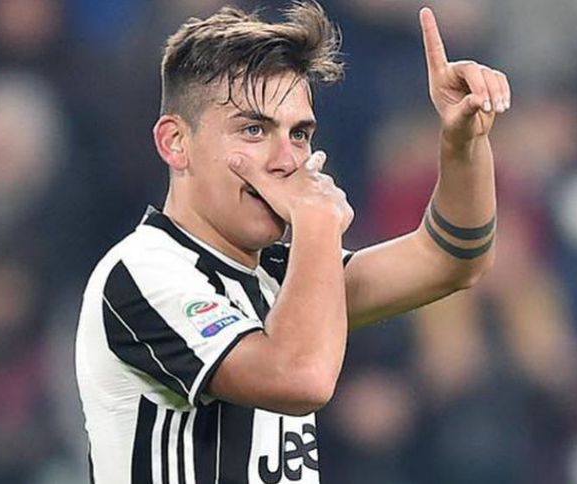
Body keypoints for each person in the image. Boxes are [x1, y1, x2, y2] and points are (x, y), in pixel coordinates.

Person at [75, 2, 510, 483]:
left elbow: (452, 259)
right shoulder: (144, 271)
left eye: (300, 134)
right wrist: (316, 219)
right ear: (176, 142)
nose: (287, 160)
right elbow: (300, 378)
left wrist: (462, 142)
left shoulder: (282, 272)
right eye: (254, 130)